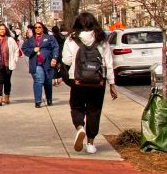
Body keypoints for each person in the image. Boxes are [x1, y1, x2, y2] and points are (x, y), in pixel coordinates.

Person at [61, 11, 118, 154]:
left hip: (78, 80)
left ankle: (80, 128)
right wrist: (112, 83)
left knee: (76, 106)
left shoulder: (71, 39)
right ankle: (91, 143)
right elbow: (108, 62)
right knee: (94, 110)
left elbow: (66, 60)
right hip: (98, 81)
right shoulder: (101, 39)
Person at [22, 21, 59, 107]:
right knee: (38, 80)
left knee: (48, 81)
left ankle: (49, 99)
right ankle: (38, 101)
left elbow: (55, 47)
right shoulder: (30, 40)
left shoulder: (49, 38)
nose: (37, 29)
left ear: (43, 28)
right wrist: (33, 50)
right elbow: (24, 49)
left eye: (39, 27)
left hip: (48, 63)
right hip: (36, 64)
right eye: (36, 27)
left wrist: (54, 58)